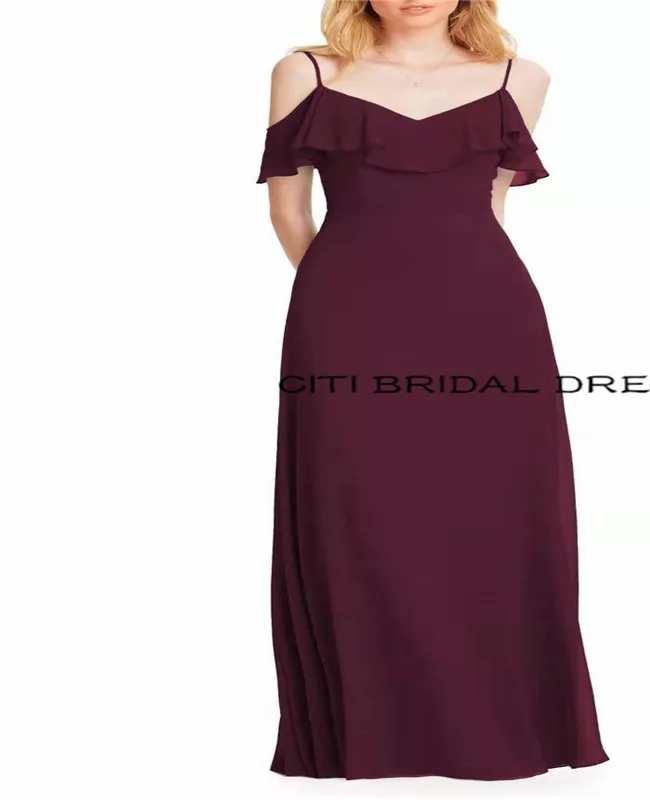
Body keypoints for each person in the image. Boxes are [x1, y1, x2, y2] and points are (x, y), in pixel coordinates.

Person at [256, 0, 610, 781]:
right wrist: (351, 303)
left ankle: (505, 732)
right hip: (345, 325)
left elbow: (492, 208)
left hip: (489, 322)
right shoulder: (306, 73)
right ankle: (371, 734)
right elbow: (288, 212)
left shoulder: (520, 77)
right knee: (354, 514)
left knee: (495, 519)